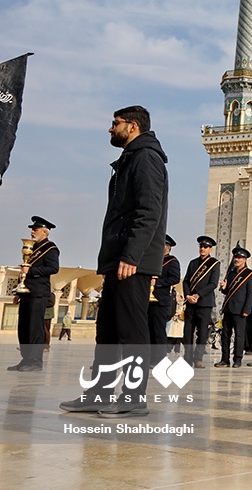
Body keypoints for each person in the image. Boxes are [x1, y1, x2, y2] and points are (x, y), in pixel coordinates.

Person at [60, 105, 168, 417]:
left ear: (132, 126)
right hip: (119, 257)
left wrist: (132, 255)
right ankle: (99, 392)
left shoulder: (146, 158)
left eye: (115, 123)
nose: (111, 129)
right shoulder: (132, 158)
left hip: (131, 261)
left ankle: (134, 397)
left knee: (131, 330)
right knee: (107, 330)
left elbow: (149, 211)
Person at [9, 216, 60, 371]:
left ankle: (35, 362)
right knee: (23, 327)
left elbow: (53, 268)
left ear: (44, 232)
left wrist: (31, 271)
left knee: (34, 328)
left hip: (39, 293)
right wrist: (19, 291)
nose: (32, 231)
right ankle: (25, 360)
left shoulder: (50, 248)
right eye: (32, 229)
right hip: (27, 293)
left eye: (35, 229)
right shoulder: (32, 248)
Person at [182, 236, 220, 367]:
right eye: (201, 247)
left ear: (210, 249)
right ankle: (187, 357)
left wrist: (198, 295)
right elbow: (186, 281)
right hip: (190, 302)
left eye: (205, 247)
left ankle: (198, 358)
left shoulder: (214, 264)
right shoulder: (193, 263)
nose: (202, 249)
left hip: (204, 303)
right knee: (187, 333)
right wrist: (187, 295)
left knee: (202, 333)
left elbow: (213, 284)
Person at [216, 245, 252, 368]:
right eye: (235, 257)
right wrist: (223, 288)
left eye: (239, 257)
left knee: (239, 336)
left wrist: (247, 309)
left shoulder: (250, 274)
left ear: (244, 260)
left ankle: (237, 359)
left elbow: (251, 294)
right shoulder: (231, 273)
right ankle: (225, 359)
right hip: (228, 308)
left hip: (240, 310)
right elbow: (227, 291)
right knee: (225, 335)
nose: (236, 260)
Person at [148, 235, 181, 364]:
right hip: (148, 301)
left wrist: (157, 282)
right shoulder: (152, 260)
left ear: (168, 248)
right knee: (148, 330)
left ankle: (158, 359)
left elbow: (175, 278)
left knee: (158, 331)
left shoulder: (172, 261)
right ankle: (149, 358)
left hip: (160, 301)